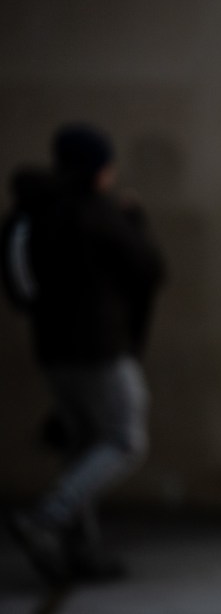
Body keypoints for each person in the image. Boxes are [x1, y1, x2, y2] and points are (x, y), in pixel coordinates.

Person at [4, 123, 166, 584]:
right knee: (124, 440)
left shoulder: (32, 209)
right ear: (99, 168)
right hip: (100, 347)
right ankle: (45, 519)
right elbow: (148, 266)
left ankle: (82, 552)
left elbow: (19, 282)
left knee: (82, 447)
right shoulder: (94, 211)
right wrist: (131, 220)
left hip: (52, 350)